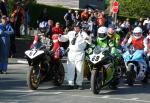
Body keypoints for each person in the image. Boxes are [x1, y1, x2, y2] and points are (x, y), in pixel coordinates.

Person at [58, 22, 91, 90]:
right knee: (70, 69)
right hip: (71, 53)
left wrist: (87, 38)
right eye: (75, 27)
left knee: (79, 69)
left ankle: (79, 84)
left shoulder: (83, 33)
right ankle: (71, 84)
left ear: (80, 27)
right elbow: (64, 38)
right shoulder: (70, 33)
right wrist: (60, 36)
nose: (76, 28)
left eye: (77, 27)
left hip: (80, 53)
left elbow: (89, 41)